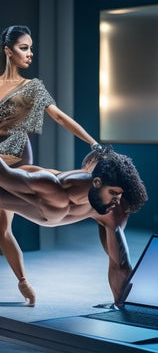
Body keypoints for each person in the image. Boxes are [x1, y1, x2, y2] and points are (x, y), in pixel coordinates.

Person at [0, 146, 148, 353]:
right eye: (113, 193)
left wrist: (133, 322)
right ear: (96, 180)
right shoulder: (49, 185)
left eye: (119, 194)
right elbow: (5, 175)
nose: (116, 201)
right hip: (18, 189)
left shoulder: (112, 209)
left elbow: (120, 265)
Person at [0, 24, 100, 306]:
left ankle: (22, 281)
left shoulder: (33, 87)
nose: (30, 53)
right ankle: (23, 281)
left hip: (17, 157)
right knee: (1, 229)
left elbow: (60, 117)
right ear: (8, 51)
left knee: (8, 221)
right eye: (24, 48)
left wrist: (93, 143)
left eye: (31, 48)